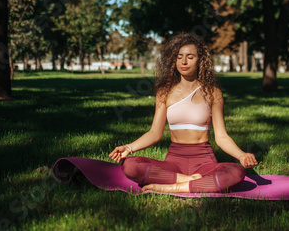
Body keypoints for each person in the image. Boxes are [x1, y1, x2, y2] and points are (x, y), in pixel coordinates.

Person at [109, 33, 258, 193]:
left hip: (204, 162)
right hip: (174, 162)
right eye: (179, 57)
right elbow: (154, 133)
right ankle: (190, 182)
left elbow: (221, 137)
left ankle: (170, 187)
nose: (184, 62)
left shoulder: (213, 93)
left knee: (236, 172)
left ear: (201, 60)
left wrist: (241, 155)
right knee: (130, 166)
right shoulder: (164, 93)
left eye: (190, 57)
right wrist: (128, 148)